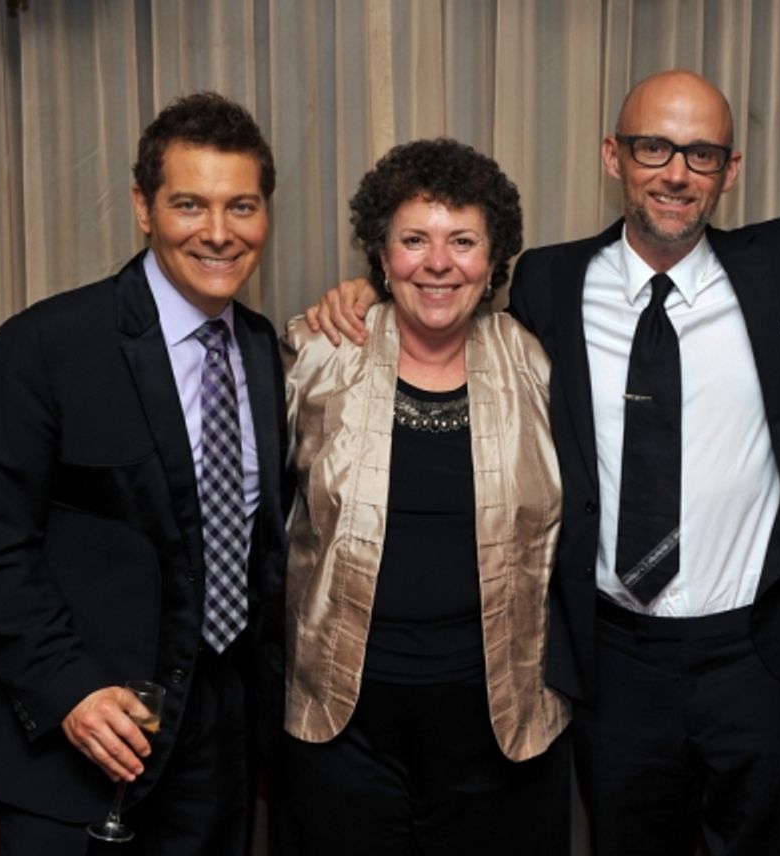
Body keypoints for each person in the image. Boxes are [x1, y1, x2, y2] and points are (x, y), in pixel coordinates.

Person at [307, 70, 780, 855]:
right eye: (654, 147)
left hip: (765, 657)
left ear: (731, 171)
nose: (676, 172)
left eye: (701, 154)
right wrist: (367, 297)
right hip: (616, 661)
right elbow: (444, 296)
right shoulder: (548, 283)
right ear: (613, 156)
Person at [0, 92, 288, 854]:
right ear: (143, 208)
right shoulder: (45, 346)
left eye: (241, 206)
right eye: (190, 204)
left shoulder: (262, 351)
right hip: (77, 745)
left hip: (216, 749)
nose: (218, 233)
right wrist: (71, 689)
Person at [270, 138, 570, 856]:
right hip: (342, 728)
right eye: (414, 241)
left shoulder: (537, 361)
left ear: (494, 261)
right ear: (381, 255)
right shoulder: (316, 354)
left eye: (462, 241)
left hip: (500, 725)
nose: (438, 263)